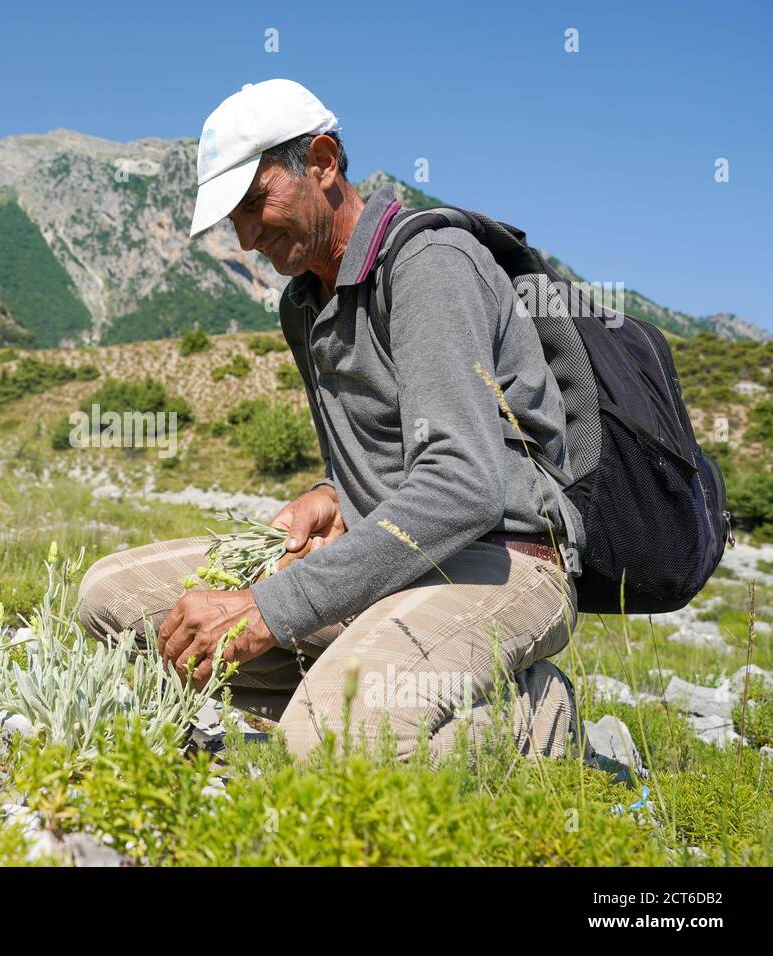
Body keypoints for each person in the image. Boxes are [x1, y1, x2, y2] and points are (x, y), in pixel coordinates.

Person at [77, 79, 585, 764]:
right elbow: (382, 454)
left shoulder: (431, 266)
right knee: (111, 602)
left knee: (322, 751)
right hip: (391, 564)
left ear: (321, 161)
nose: (248, 236)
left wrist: (270, 608)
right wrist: (331, 492)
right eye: (234, 218)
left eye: (256, 203)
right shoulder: (302, 306)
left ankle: (530, 711)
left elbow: (462, 485)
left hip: (499, 560)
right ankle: (373, 696)